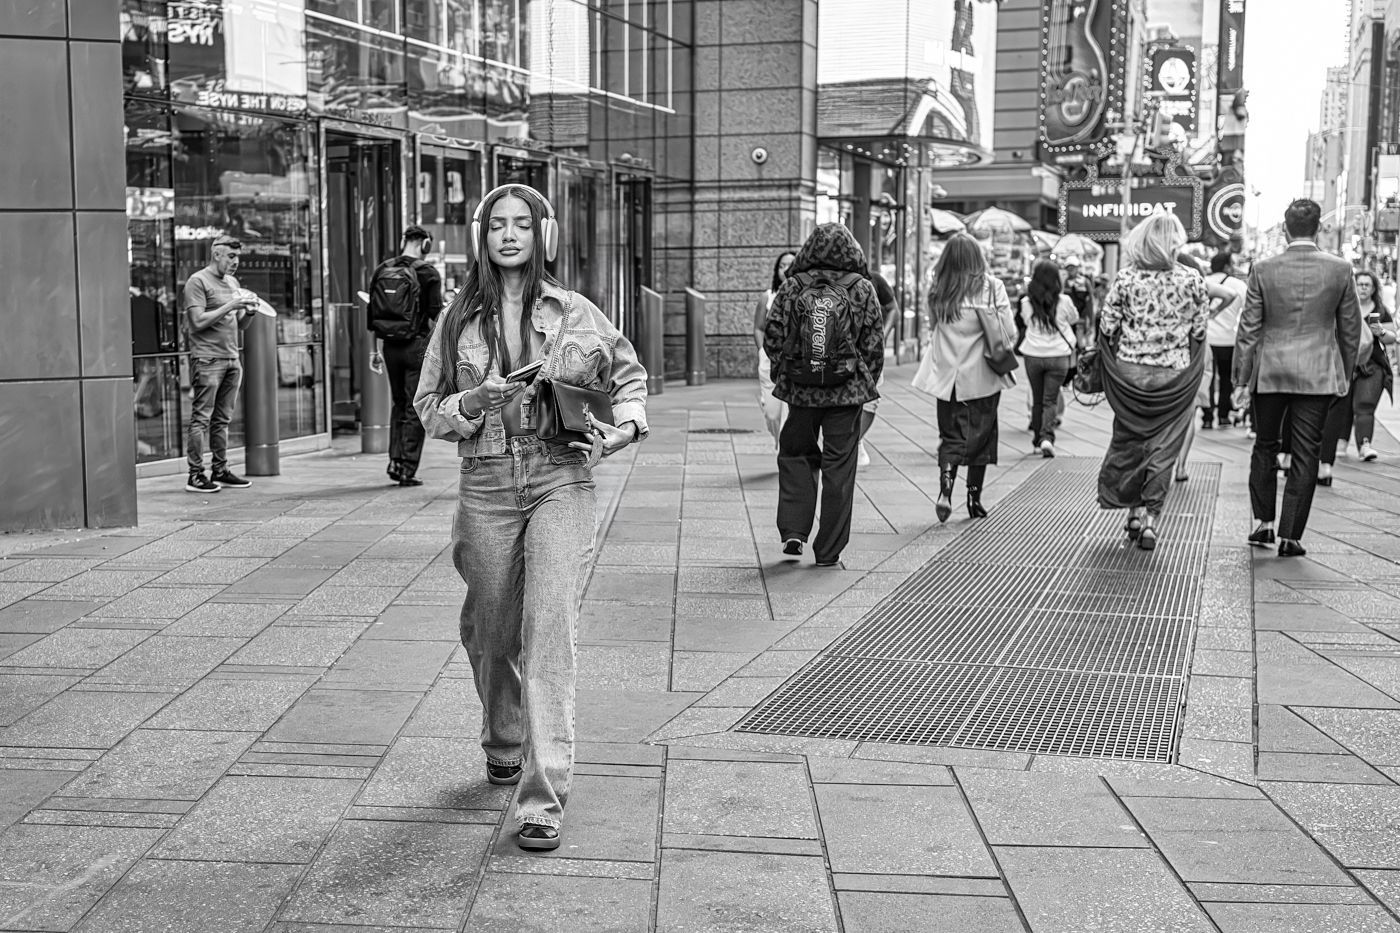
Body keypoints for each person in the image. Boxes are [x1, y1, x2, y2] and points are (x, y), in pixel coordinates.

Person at [413, 184, 649, 852]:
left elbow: (629, 379)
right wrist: (472, 400)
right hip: (485, 481)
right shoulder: (457, 319)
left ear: (542, 235)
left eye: (522, 224)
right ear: (482, 236)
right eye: (498, 225)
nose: (509, 235)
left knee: (549, 627)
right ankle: (505, 733)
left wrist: (618, 433)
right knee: (490, 627)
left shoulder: (575, 311)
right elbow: (427, 406)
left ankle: (543, 798)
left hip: (560, 477)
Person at [1234, 198, 1361, 558]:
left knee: (1265, 444)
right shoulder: (1340, 270)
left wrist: (1241, 381)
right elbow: (1350, 330)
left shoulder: (1263, 268)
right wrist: (1345, 374)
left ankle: (1263, 523)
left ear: (1285, 228)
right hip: (1318, 373)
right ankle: (1291, 535)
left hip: (1271, 371)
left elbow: (1249, 329)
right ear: (1319, 227)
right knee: (1307, 452)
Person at [764, 223, 884, 566]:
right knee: (840, 468)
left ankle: (793, 530)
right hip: (846, 395)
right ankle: (829, 550)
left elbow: (773, 337)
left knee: (795, 455)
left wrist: (785, 376)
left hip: (802, 393)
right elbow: (874, 345)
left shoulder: (792, 286)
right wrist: (863, 382)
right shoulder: (861, 288)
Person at [1095, 214, 1208, 551]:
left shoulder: (1126, 278)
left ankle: (1130, 511)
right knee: (1164, 450)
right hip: (1173, 378)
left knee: (1130, 442)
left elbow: (1107, 326)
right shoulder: (1193, 280)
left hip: (1130, 375)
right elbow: (1200, 332)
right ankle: (1152, 521)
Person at [926, 232, 1018, 523]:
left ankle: (945, 489)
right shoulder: (992, 288)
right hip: (983, 376)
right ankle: (974, 498)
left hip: (948, 379)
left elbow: (933, 329)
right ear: (978, 257)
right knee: (983, 437)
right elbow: (1009, 332)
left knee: (951, 436)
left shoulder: (938, 290)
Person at [368, 225, 444, 486]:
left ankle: (394, 460)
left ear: (404, 241)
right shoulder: (427, 272)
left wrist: (373, 351)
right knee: (415, 406)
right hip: (416, 346)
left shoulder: (382, 268)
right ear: (425, 244)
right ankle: (407, 468)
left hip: (389, 346)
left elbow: (372, 315)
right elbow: (437, 315)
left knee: (398, 402)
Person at [182, 234, 258, 493]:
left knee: (222, 420)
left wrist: (248, 312)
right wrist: (231, 305)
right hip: (208, 358)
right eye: (231, 256)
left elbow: (239, 325)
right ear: (216, 254)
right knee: (201, 419)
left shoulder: (233, 282)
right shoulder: (198, 281)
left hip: (232, 357)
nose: (236, 262)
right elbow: (197, 322)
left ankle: (220, 469)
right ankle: (195, 475)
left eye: (238, 257)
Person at [1318, 270, 1394, 483]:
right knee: (1342, 404)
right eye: (1359, 284)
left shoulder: (1380, 310)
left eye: (1366, 285)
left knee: (1364, 405)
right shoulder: (1343, 306)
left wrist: (1380, 332)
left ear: (1373, 288)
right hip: (1343, 363)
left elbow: (1391, 337)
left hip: (1371, 364)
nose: (1362, 288)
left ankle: (1364, 444)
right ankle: (1340, 442)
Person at [1018, 258, 1080, 458]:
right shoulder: (1064, 302)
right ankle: (1047, 437)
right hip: (1058, 355)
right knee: (1050, 400)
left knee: (1037, 399)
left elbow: (1026, 322)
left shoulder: (1026, 303)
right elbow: (1074, 318)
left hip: (1033, 355)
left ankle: (1037, 441)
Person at [754, 250, 796, 448]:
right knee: (772, 413)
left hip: (792, 363)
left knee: (789, 412)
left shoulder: (803, 294)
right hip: (769, 361)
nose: (786, 269)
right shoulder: (768, 297)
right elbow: (759, 328)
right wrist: (763, 351)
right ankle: (779, 440)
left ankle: (785, 451)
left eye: (790, 264)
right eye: (782, 265)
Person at [857, 269, 900, 467]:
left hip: (871, 351)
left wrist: (882, 335)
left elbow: (893, 308)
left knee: (870, 400)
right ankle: (850, 440)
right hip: (844, 352)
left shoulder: (875, 279)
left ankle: (855, 440)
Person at [1202, 252, 1248, 430]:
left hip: (1207, 339)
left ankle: (1207, 417)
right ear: (1228, 266)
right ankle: (1223, 415)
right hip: (1229, 339)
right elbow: (1247, 312)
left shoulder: (1203, 281)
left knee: (1208, 378)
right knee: (1227, 378)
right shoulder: (1238, 285)